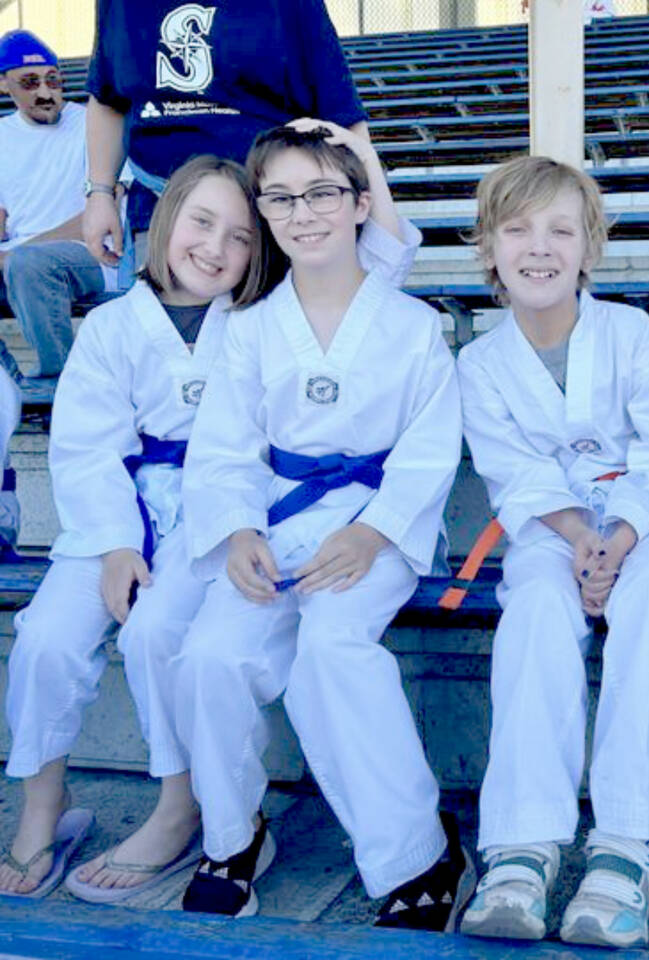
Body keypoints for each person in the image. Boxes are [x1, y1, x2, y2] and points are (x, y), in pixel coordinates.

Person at [0, 122, 421, 903]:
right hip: (114, 517)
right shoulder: (115, 328)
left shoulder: (264, 313)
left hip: (219, 516)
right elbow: (87, 450)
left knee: (161, 632)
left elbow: (385, 260)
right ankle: (43, 809)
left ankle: (178, 805)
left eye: (238, 235)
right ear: (163, 222)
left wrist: (360, 159)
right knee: (47, 640)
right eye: (200, 222)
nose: (214, 248)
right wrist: (120, 543)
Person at [173, 126, 469, 927]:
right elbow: (226, 447)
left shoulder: (412, 324)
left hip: (371, 527)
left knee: (332, 649)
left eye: (323, 194)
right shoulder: (247, 323)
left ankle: (417, 853)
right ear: (263, 211)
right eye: (281, 198)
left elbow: (430, 449)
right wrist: (237, 532)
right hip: (275, 522)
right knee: (210, 654)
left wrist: (375, 532)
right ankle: (233, 837)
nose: (303, 214)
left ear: (360, 204)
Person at [452, 156, 649, 949]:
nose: (540, 247)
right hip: (552, 530)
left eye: (561, 229)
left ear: (589, 248)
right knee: (532, 608)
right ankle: (523, 846)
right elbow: (513, 470)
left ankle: (625, 843)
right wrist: (578, 538)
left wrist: (621, 534)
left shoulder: (630, 334)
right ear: (488, 248)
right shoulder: (478, 362)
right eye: (518, 228)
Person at [82, 0, 367, 270]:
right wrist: (100, 193)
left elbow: (341, 115)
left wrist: (365, 213)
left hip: (269, 216)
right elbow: (108, 99)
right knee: (168, 320)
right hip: (160, 211)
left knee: (270, 319)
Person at [1, 29, 121, 380]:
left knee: (28, 264)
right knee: (24, 263)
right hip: (20, 257)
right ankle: (8, 381)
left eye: (53, 81)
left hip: (93, 254)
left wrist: (16, 252)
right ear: (4, 85)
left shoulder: (92, 125)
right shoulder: (3, 136)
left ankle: (61, 382)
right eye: (30, 82)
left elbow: (104, 210)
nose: (45, 93)